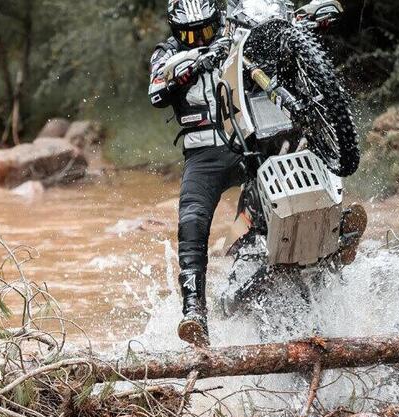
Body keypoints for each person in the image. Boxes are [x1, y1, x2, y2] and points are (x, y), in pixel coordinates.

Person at [148, 0, 357, 348]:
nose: (199, 37)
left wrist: (302, 19)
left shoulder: (235, 28)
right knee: (192, 217)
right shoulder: (166, 53)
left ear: (219, 19)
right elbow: (156, 89)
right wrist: (188, 64)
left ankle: (332, 230)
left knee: (295, 159)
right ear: (174, 30)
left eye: (207, 29)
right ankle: (194, 312)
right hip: (205, 152)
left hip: (250, 137)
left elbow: (268, 27)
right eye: (189, 33)